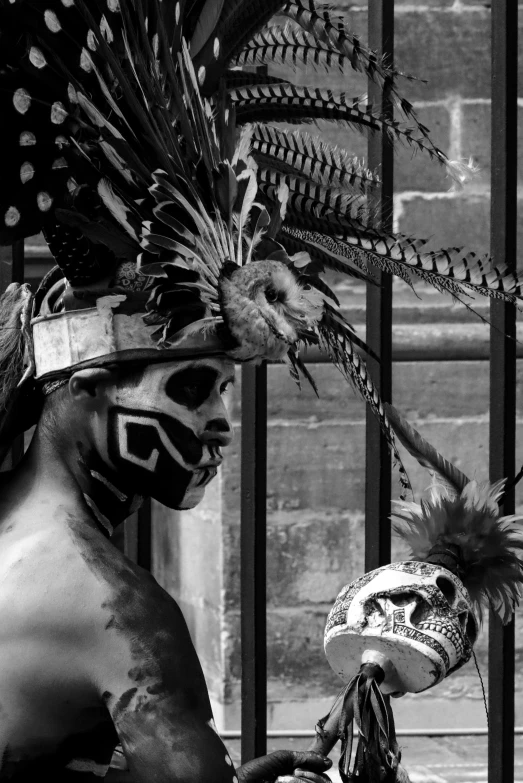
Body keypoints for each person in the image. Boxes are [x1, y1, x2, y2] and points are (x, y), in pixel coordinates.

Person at [0, 1, 520, 781]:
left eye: (223, 393)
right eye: (193, 388)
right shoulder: (122, 613)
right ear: (85, 386)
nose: (218, 425)